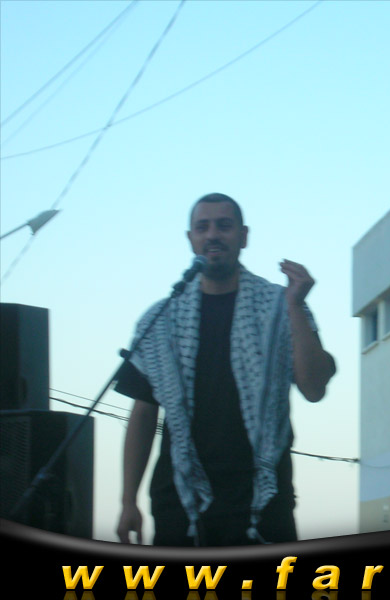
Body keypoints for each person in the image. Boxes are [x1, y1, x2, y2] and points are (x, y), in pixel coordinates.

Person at [115, 193, 336, 546]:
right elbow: (143, 413)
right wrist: (128, 500)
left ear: (243, 236)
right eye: (203, 227)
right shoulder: (161, 319)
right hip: (179, 504)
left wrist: (296, 305)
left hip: (262, 502)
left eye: (224, 226)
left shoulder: (281, 307)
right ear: (190, 238)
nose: (213, 235)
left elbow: (314, 388)